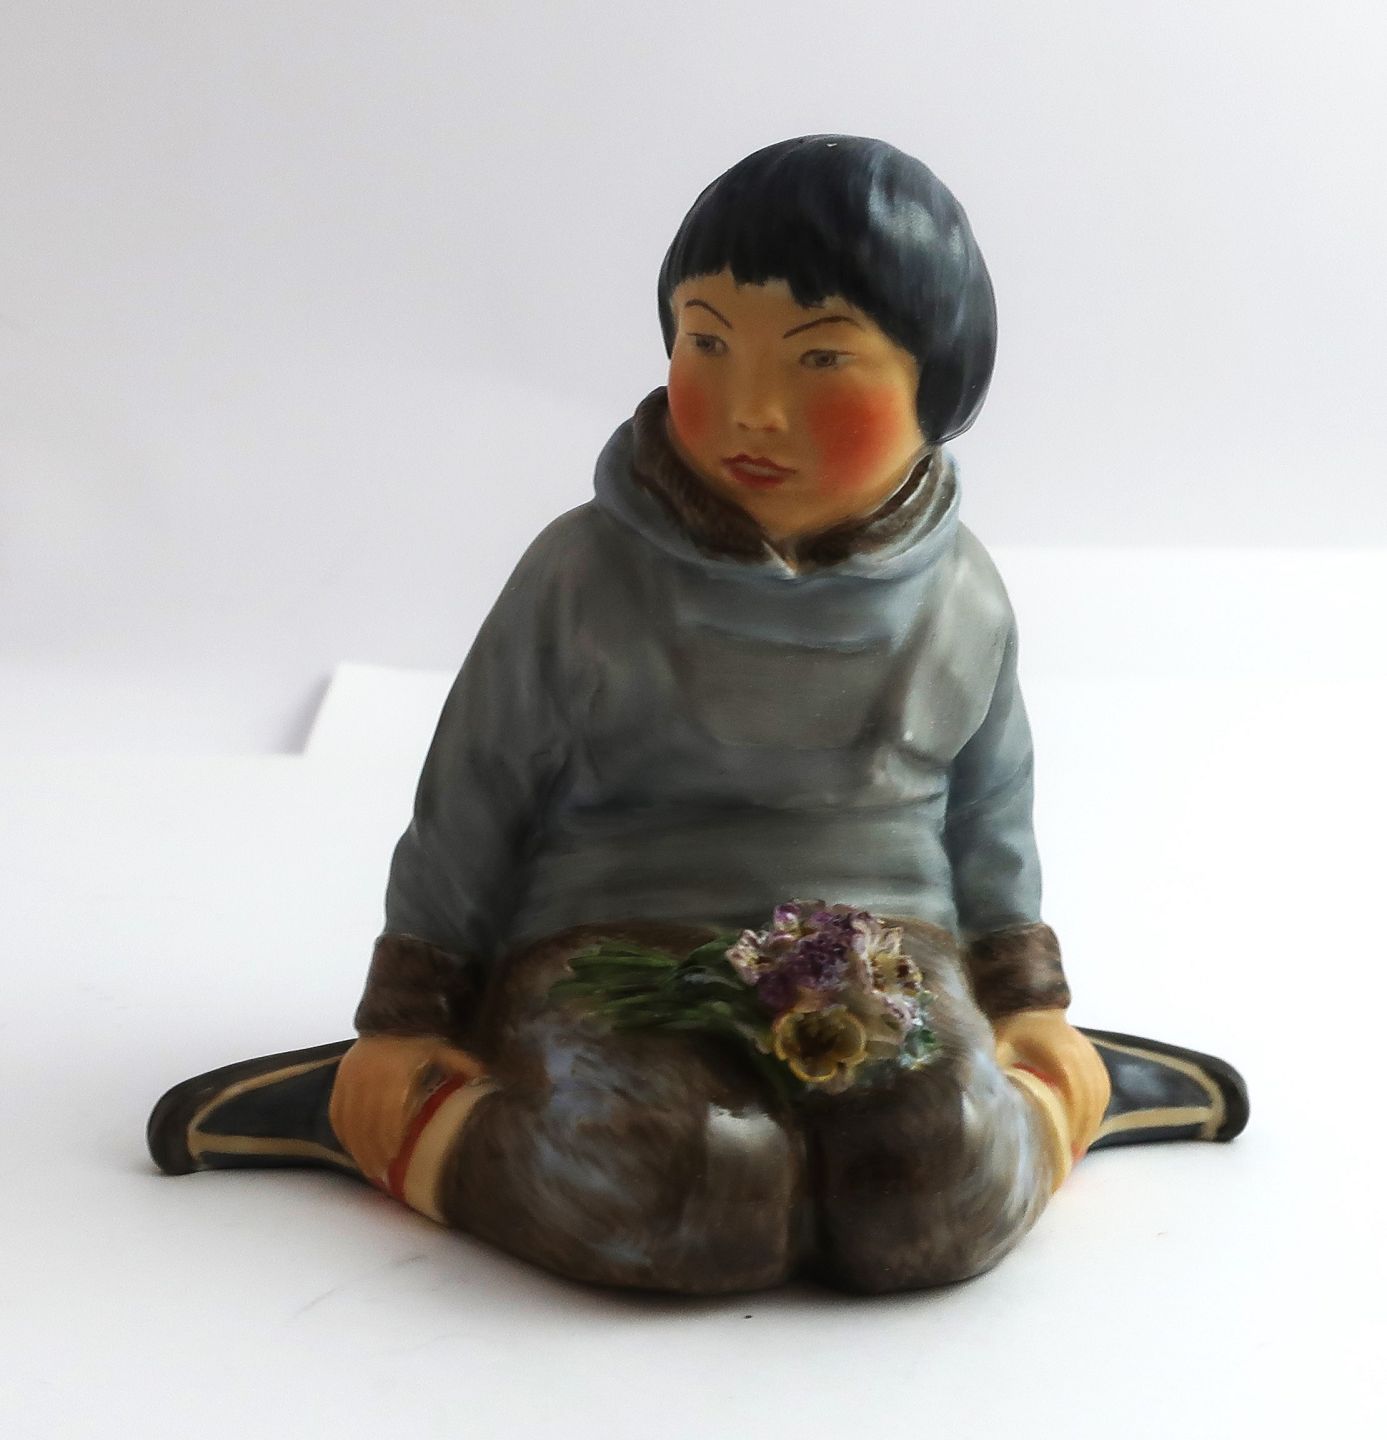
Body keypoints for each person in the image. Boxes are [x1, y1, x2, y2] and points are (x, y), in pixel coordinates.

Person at [148, 136, 1247, 1294]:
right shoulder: (580, 575)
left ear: (939, 386)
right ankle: (394, 1120)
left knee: (930, 1184)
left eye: (820, 359)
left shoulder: (960, 593)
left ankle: (1049, 1101)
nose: (751, 408)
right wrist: (409, 1020)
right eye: (707, 342)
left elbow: (990, 816)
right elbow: (470, 802)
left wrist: (1025, 1002)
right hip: (606, 952)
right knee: (691, 1192)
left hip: (884, 957)